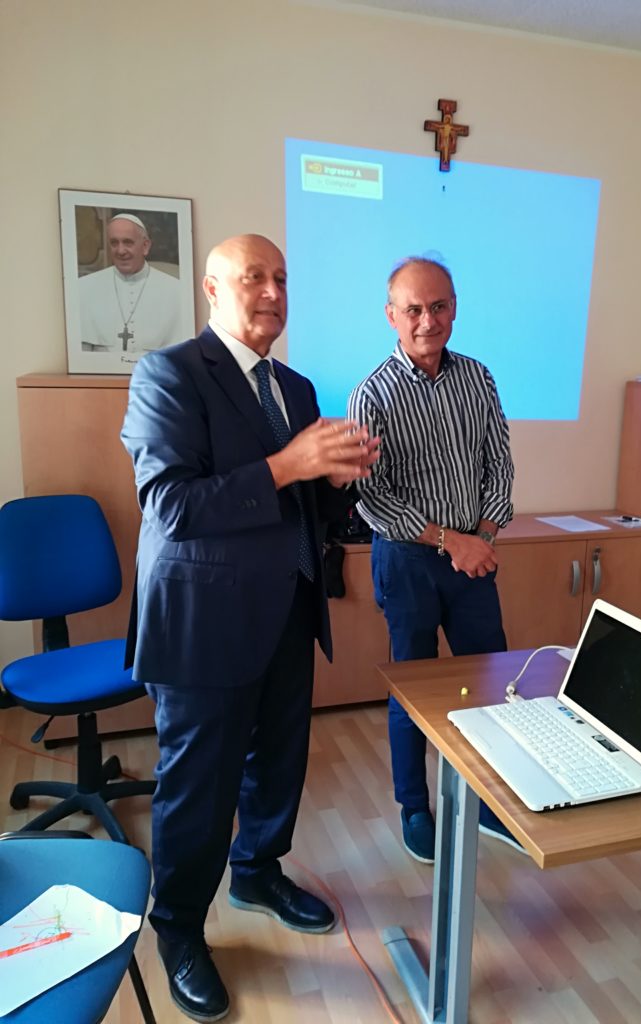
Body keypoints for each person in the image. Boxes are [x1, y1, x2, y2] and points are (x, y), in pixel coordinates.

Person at [121, 233, 379, 1023]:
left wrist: (339, 481)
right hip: (202, 622)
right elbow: (172, 506)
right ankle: (179, 929)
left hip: (289, 605)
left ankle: (259, 871)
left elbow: (302, 501)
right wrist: (290, 464)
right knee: (199, 787)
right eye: (253, 277)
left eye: (282, 278)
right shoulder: (168, 374)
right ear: (211, 287)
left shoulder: (294, 387)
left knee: (279, 763)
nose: (272, 292)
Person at [348, 256, 523, 863]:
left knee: (491, 685)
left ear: (455, 308)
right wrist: (452, 541)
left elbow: (499, 462)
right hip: (408, 561)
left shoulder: (478, 377)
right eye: (414, 309)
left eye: (440, 306)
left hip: (475, 557)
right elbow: (371, 497)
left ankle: (489, 801)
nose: (428, 321)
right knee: (414, 690)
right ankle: (415, 808)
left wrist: (485, 534)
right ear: (391, 315)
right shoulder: (372, 394)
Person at [79, 213, 183, 356]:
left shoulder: (176, 290)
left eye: (128, 242)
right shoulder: (84, 287)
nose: (120, 251)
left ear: (145, 246)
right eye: (114, 243)